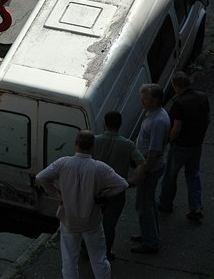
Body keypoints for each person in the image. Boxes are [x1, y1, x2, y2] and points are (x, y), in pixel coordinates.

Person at [35, 130, 128, 279]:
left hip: (68, 220)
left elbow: (41, 178)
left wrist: (58, 194)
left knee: (69, 261)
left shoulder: (63, 163)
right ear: (93, 147)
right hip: (91, 222)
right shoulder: (99, 168)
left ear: (76, 144)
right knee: (99, 260)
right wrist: (104, 194)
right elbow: (122, 184)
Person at [92, 111, 146, 261]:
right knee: (109, 224)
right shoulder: (128, 144)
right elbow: (142, 163)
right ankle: (106, 253)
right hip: (117, 190)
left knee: (92, 222)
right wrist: (133, 180)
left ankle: (86, 250)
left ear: (104, 123)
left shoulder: (94, 141)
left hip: (96, 189)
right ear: (119, 125)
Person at [159, 71, 210, 221]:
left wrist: (168, 140)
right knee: (193, 175)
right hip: (196, 145)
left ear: (176, 86)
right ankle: (196, 207)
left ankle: (165, 204)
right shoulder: (202, 97)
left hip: (180, 146)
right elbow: (207, 120)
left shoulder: (179, 103)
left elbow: (176, 128)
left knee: (170, 176)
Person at [131, 83, 170, 254]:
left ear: (154, 100)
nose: (142, 101)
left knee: (143, 205)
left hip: (150, 168)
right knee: (149, 202)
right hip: (150, 166)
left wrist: (143, 170)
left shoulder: (158, 121)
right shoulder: (155, 114)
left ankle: (151, 242)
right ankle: (149, 233)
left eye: (145, 98)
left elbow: (154, 150)